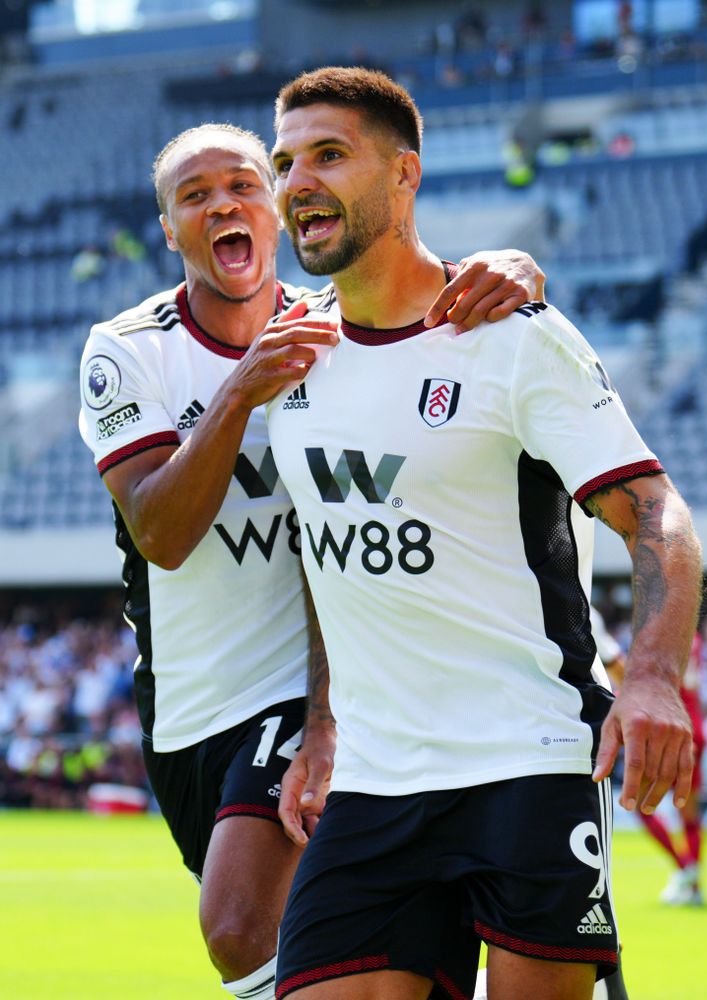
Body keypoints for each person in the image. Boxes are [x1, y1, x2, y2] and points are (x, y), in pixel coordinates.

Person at [77, 119, 547, 1000]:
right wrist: (243, 389)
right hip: (188, 706)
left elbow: (436, 308)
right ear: (170, 229)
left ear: (278, 209)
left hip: (320, 685)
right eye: (195, 196)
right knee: (291, 944)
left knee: (239, 926)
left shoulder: (336, 326)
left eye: (245, 185)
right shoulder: (127, 350)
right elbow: (162, 536)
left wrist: (511, 267)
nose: (225, 203)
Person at [267, 67, 703, 1000]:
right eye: (285, 161)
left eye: (330, 155)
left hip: (530, 760)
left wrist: (658, 675)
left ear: (405, 175)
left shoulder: (512, 335)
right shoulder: (292, 353)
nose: (297, 179)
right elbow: (327, 546)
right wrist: (321, 718)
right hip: (375, 785)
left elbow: (656, 509)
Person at [600, 625, 706, 908]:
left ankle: (685, 867)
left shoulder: (654, 637)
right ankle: (694, 887)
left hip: (662, 724)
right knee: (689, 813)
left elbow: (637, 683)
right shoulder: (693, 638)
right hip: (694, 725)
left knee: (639, 804)